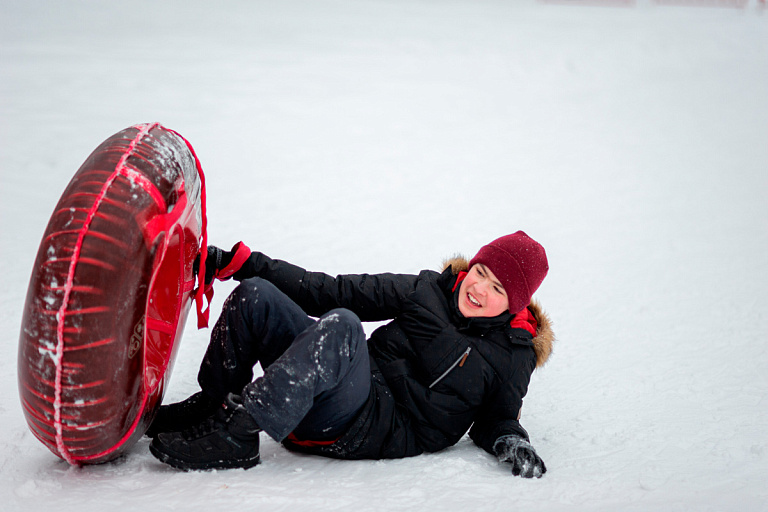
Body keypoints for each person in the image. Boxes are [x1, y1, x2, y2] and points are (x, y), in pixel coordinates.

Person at [147, 231, 554, 478]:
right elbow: (333, 291)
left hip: (367, 428)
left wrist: (511, 441)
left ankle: (239, 436)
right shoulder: (429, 289)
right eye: (482, 272)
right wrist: (243, 263)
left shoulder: (512, 353)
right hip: (330, 388)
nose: (479, 289)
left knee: (343, 327)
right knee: (258, 296)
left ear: (514, 303)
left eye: (498, 289)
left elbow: (498, 416)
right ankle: (213, 402)